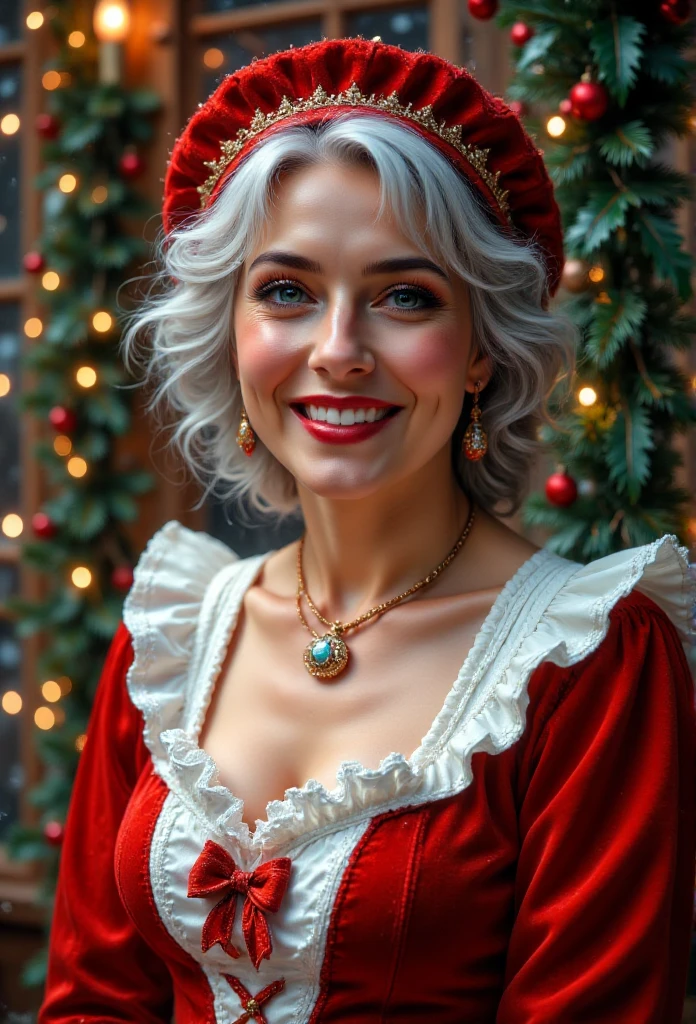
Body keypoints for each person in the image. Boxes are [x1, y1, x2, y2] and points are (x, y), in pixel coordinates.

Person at [38, 37, 696, 1024]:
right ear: (232, 326)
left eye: (404, 296)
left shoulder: (590, 665)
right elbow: (93, 997)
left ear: (479, 349)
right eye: (288, 291)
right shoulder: (171, 636)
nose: (338, 351)